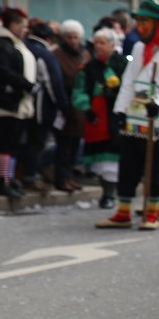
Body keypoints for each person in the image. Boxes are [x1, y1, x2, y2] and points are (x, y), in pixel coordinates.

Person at [96, 0, 159, 230]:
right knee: (128, 167)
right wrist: (120, 110)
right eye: (139, 21)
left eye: (145, 21)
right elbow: (128, 82)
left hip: (156, 121)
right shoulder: (138, 48)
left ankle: (153, 211)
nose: (140, 27)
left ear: (157, 24)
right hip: (134, 120)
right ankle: (123, 211)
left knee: (154, 168)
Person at [0, 7, 36, 200]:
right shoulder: (2, 45)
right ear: (13, 25)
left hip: (18, 104)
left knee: (12, 145)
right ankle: (1, 180)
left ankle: (8, 177)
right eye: (23, 26)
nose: (26, 30)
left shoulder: (15, 43)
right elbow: (3, 71)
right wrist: (27, 85)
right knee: (4, 144)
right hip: (5, 104)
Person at [73, 26, 126, 209]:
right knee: (100, 159)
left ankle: (113, 193)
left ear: (112, 45)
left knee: (114, 156)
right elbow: (79, 91)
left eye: (102, 43)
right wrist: (87, 109)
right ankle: (106, 192)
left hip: (116, 116)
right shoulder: (88, 68)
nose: (98, 46)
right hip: (98, 116)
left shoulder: (122, 65)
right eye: (96, 43)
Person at [22, 20, 68, 192]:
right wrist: (63, 106)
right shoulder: (45, 54)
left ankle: (11, 176)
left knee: (16, 143)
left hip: (19, 103)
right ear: (49, 38)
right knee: (36, 142)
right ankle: (30, 177)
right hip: (41, 106)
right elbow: (53, 83)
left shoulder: (23, 47)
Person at [52, 19, 89, 192]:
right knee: (64, 146)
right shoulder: (57, 54)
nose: (73, 41)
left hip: (80, 106)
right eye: (69, 37)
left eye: (76, 37)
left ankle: (70, 176)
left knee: (75, 145)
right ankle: (61, 177)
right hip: (65, 105)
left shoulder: (83, 53)